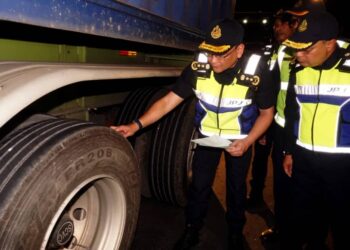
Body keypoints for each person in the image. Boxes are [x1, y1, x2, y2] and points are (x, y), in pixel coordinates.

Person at [111, 18, 275, 250]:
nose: (212, 60)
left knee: (237, 190)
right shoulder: (199, 69)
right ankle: (192, 230)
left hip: (240, 140)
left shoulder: (258, 73)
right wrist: (136, 125)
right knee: (199, 187)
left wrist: (248, 141)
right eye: (209, 53)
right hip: (207, 138)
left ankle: (235, 235)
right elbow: (169, 101)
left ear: (239, 50)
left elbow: (267, 114)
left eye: (220, 54)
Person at [282, 10, 350, 250]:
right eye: (296, 48)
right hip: (305, 161)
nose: (299, 55)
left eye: (306, 49)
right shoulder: (299, 70)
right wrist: (289, 151)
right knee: (309, 220)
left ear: (330, 44)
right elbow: (293, 112)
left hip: (342, 165)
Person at [246, 9, 307, 212]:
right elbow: (265, 86)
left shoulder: (301, 52)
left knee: (286, 170)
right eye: (275, 25)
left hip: (287, 121)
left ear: (294, 25)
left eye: (281, 24)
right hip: (269, 116)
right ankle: (255, 196)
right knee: (260, 160)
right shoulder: (273, 50)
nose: (276, 28)